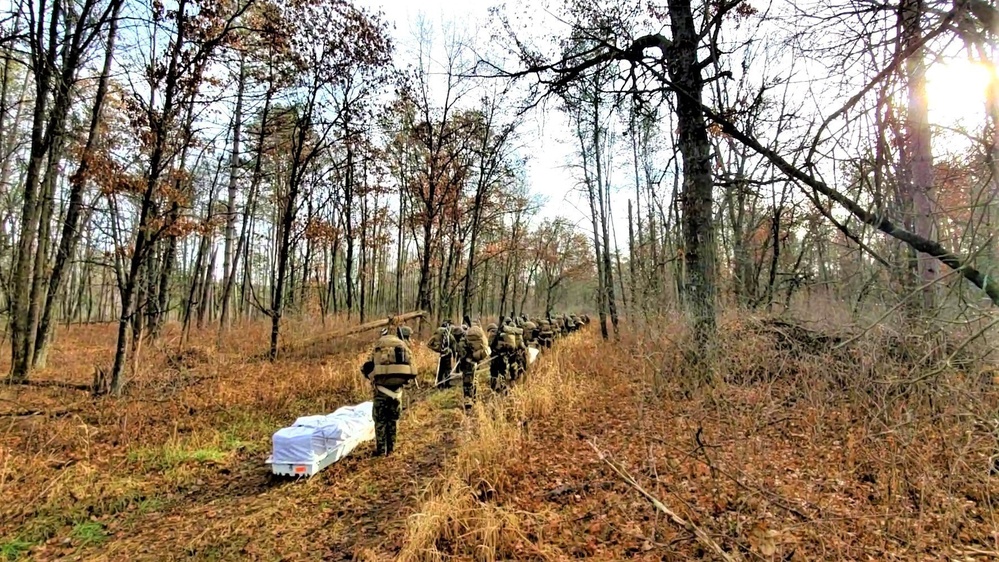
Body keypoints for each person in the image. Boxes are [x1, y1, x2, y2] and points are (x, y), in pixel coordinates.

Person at [360, 327, 417, 456]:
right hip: (396, 392)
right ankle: (391, 449)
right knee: (393, 420)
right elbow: (413, 370)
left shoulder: (378, 349)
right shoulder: (402, 347)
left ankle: (381, 451)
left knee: (380, 421)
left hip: (381, 391)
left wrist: (371, 377)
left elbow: (367, 367)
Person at [458, 316, 490, 407]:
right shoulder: (480, 335)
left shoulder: (466, 337)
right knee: (475, 378)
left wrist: (463, 359)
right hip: (476, 360)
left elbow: (461, 350)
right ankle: (474, 397)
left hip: (467, 361)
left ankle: (467, 399)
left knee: (467, 380)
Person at [427, 321, 458, 388]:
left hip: (440, 355)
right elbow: (454, 346)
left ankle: (439, 384)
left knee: (440, 370)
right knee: (447, 369)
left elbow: (428, 344)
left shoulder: (435, 336)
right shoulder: (450, 336)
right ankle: (447, 384)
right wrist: (454, 355)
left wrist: (437, 349)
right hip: (447, 355)